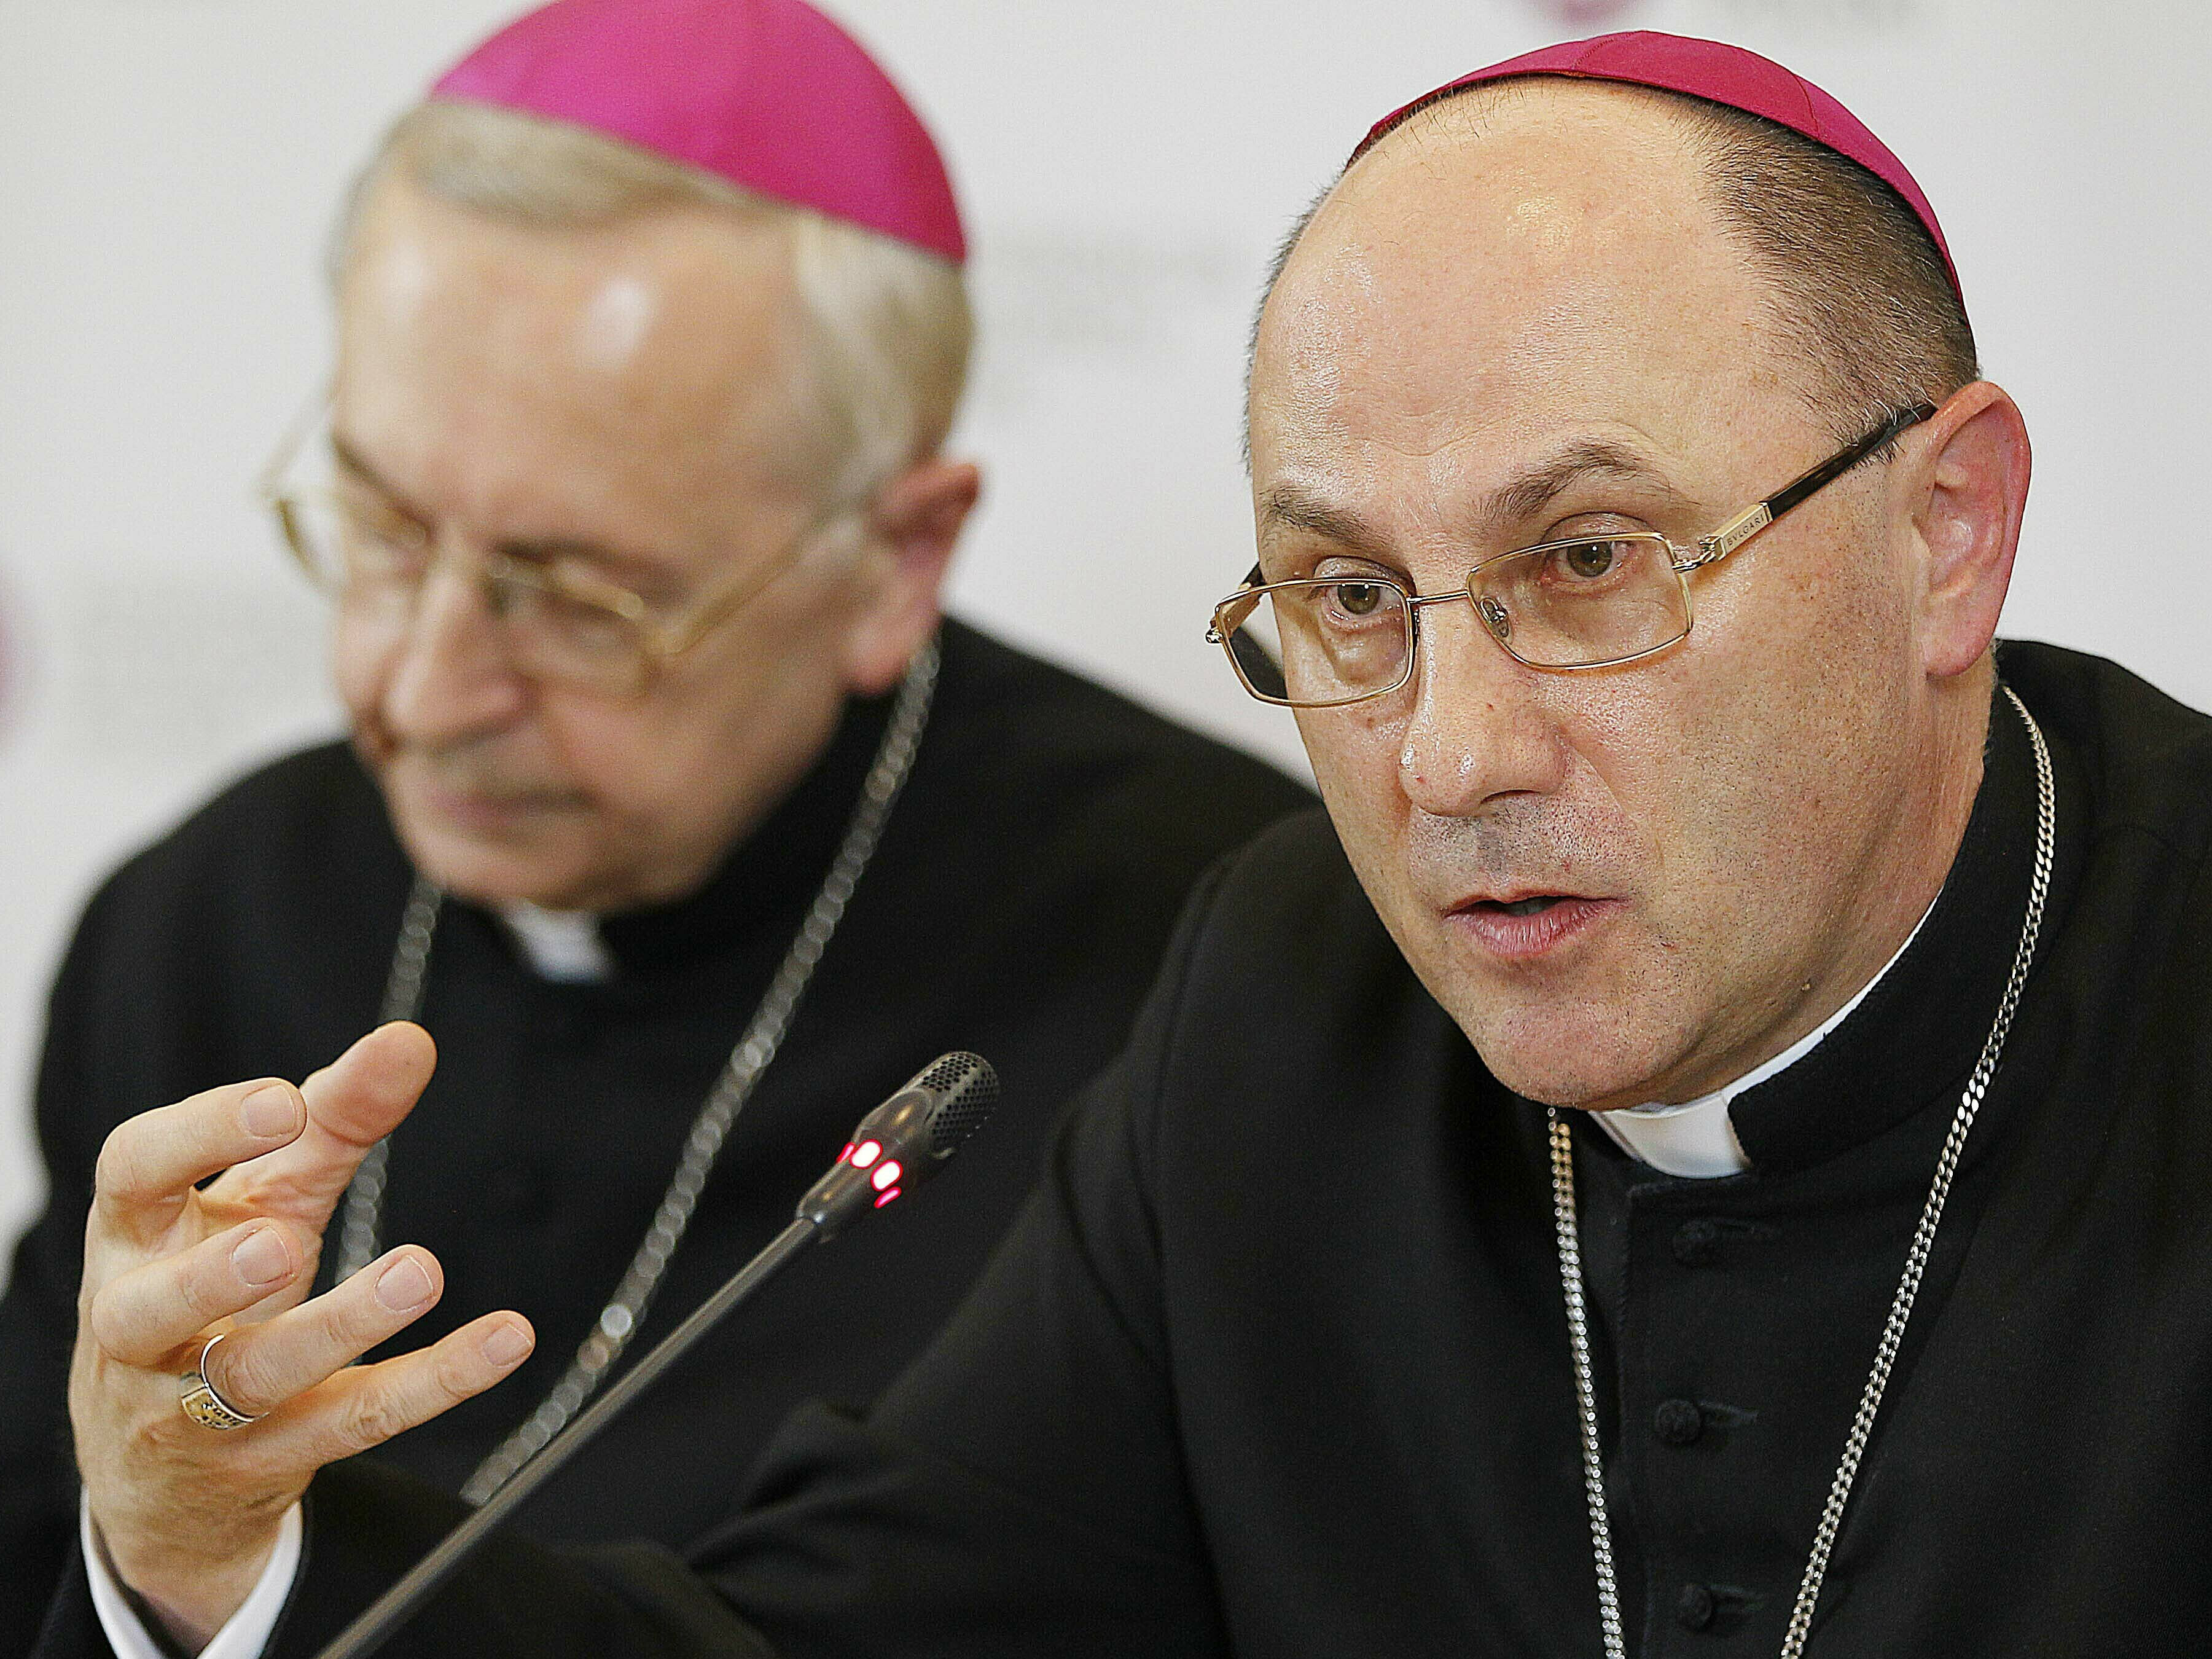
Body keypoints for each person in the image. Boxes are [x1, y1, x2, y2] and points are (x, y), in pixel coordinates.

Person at [47, 28, 2212, 1659]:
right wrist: (220, 1556)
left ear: (1945, 535)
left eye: (1584, 561)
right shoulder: (1285, 997)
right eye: (1348, 597)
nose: (1448, 758)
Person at [0, 0, 1312, 1651]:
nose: (419, 686)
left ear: (894, 558)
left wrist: (238, 1576)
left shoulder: (1225, 968)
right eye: (385, 530)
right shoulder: (200, 917)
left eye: (579, 596)